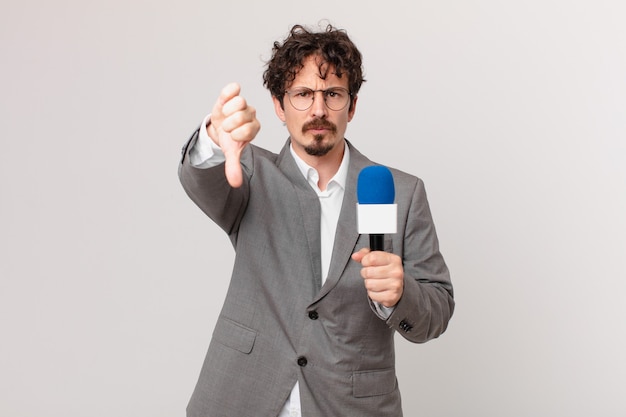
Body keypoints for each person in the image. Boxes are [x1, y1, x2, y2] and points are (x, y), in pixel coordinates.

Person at [178, 23, 454, 417]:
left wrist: (400, 294)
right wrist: (212, 138)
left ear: (352, 106)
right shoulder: (252, 172)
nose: (319, 110)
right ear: (279, 104)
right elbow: (198, 177)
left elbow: (437, 309)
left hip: (350, 404)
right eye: (303, 94)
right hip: (242, 397)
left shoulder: (402, 192)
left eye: (333, 94)